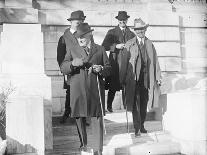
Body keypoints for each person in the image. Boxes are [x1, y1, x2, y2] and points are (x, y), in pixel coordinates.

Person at [60, 23, 111, 155]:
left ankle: (98, 150)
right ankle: (84, 145)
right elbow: (63, 67)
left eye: (82, 36)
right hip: (78, 90)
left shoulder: (100, 49)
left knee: (97, 119)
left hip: (95, 90)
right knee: (79, 117)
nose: (80, 39)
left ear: (89, 35)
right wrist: (72, 64)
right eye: (78, 37)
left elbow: (109, 69)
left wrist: (102, 69)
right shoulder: (72, 49)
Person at [124, 18, 161, 136]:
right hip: (134, 79)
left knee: (144, 102)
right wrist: (123, 78)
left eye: (142, 29)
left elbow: (155, 61)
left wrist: (158, 76)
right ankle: (136, 127)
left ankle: (142, 125)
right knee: (135, 103)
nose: (140, 31)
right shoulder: (129, 44)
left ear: (145, 29)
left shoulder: (150, 43)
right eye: (138, 29)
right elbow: (124, 63)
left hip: (146, 78)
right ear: (135, 31)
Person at [102, 11, 135, 112]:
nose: (122, 21)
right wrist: (115, 46)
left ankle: (127, 105)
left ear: (127, 20)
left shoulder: (131, 33)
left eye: (124, 20)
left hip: (128, 62)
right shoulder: (111, 32)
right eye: (120, 20)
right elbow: (104, 46)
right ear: (118, 20)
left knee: (127, 84)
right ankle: (109, 106)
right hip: (115, 62)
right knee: (113, 84)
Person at [57, 10, 86, 124]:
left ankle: (83, 116)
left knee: (83, 92)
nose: (79, 22)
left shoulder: (85, 35)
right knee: (70, 92)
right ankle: (67, 113)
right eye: (76, 21)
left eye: (81, 21)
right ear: (71, 22)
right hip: (70, 69)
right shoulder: (64, 37)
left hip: (83, 69)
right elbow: (60, 56)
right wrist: (64, 70)